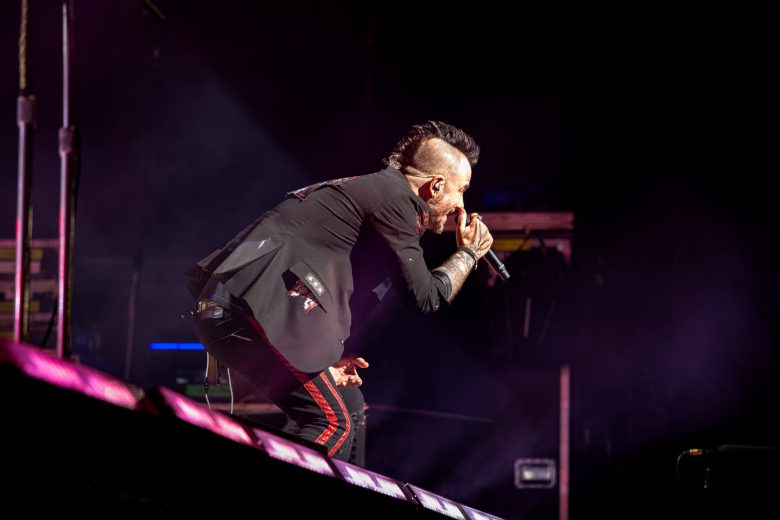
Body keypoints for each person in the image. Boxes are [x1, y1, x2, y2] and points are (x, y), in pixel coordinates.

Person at [185, 120, 493, 462]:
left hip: (247, 308)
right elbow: (425, 297)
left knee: (349, 404)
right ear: (436, 186)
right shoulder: (397, 200)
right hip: (249, 308)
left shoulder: (380, 195)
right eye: (461, 189)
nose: (462, 206)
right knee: (332, 423)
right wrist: (469, 253)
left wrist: (328, 358)